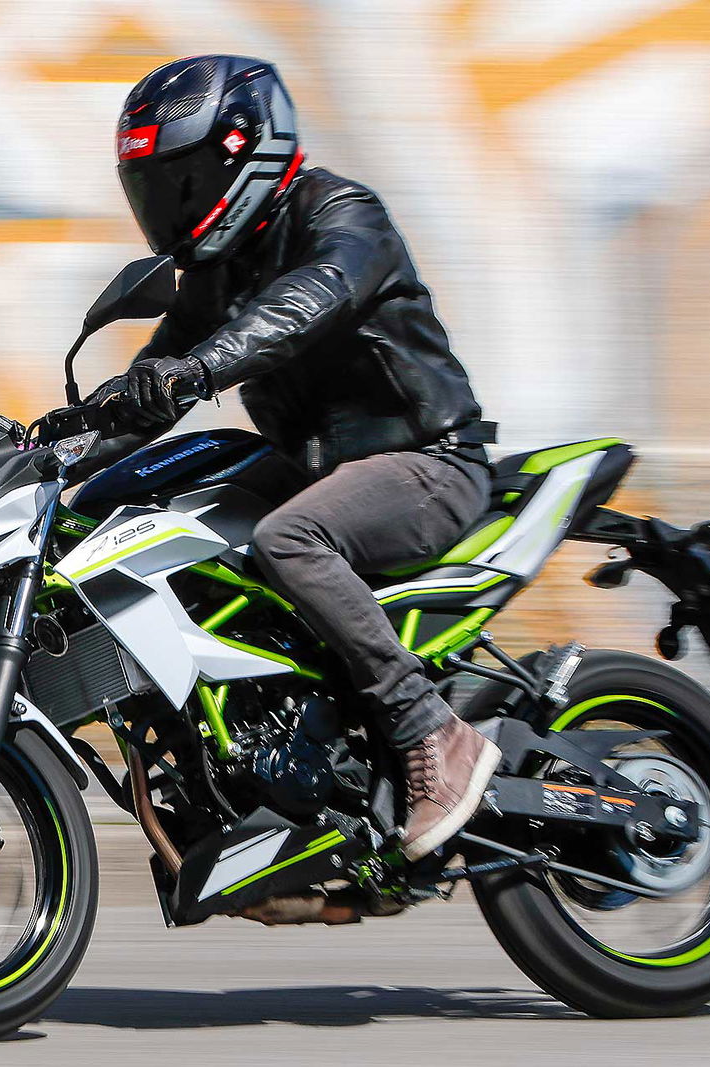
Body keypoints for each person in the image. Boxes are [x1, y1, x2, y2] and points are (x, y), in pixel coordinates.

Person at [92, 54, 501, 862]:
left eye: (186, 181)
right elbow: (152, 391)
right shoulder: (214, 274)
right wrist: (48, 445)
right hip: (318, 473)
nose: (173, 205)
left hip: (428, 462)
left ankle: (431, 728)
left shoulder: (342, 214)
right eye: (157, 188)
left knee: (289, 539)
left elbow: (310, 299)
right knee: (145, 520)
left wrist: (201, 366)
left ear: (248, 152)